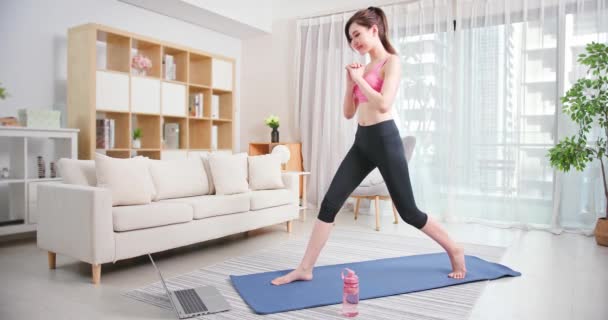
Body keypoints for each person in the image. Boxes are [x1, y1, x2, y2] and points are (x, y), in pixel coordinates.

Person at [271, 6, 466, 286]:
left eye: (358, 34)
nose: (355, 42)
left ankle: (455, 249)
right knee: (329, 204)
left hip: (385, 140)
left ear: (375, 29)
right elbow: (349, 113)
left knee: (409, 211)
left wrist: (360, 78)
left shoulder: (391, 62)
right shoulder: (361, 69)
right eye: (351, 38)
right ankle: (305, 268)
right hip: (362, 141)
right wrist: (349, 81)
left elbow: (385, 103)